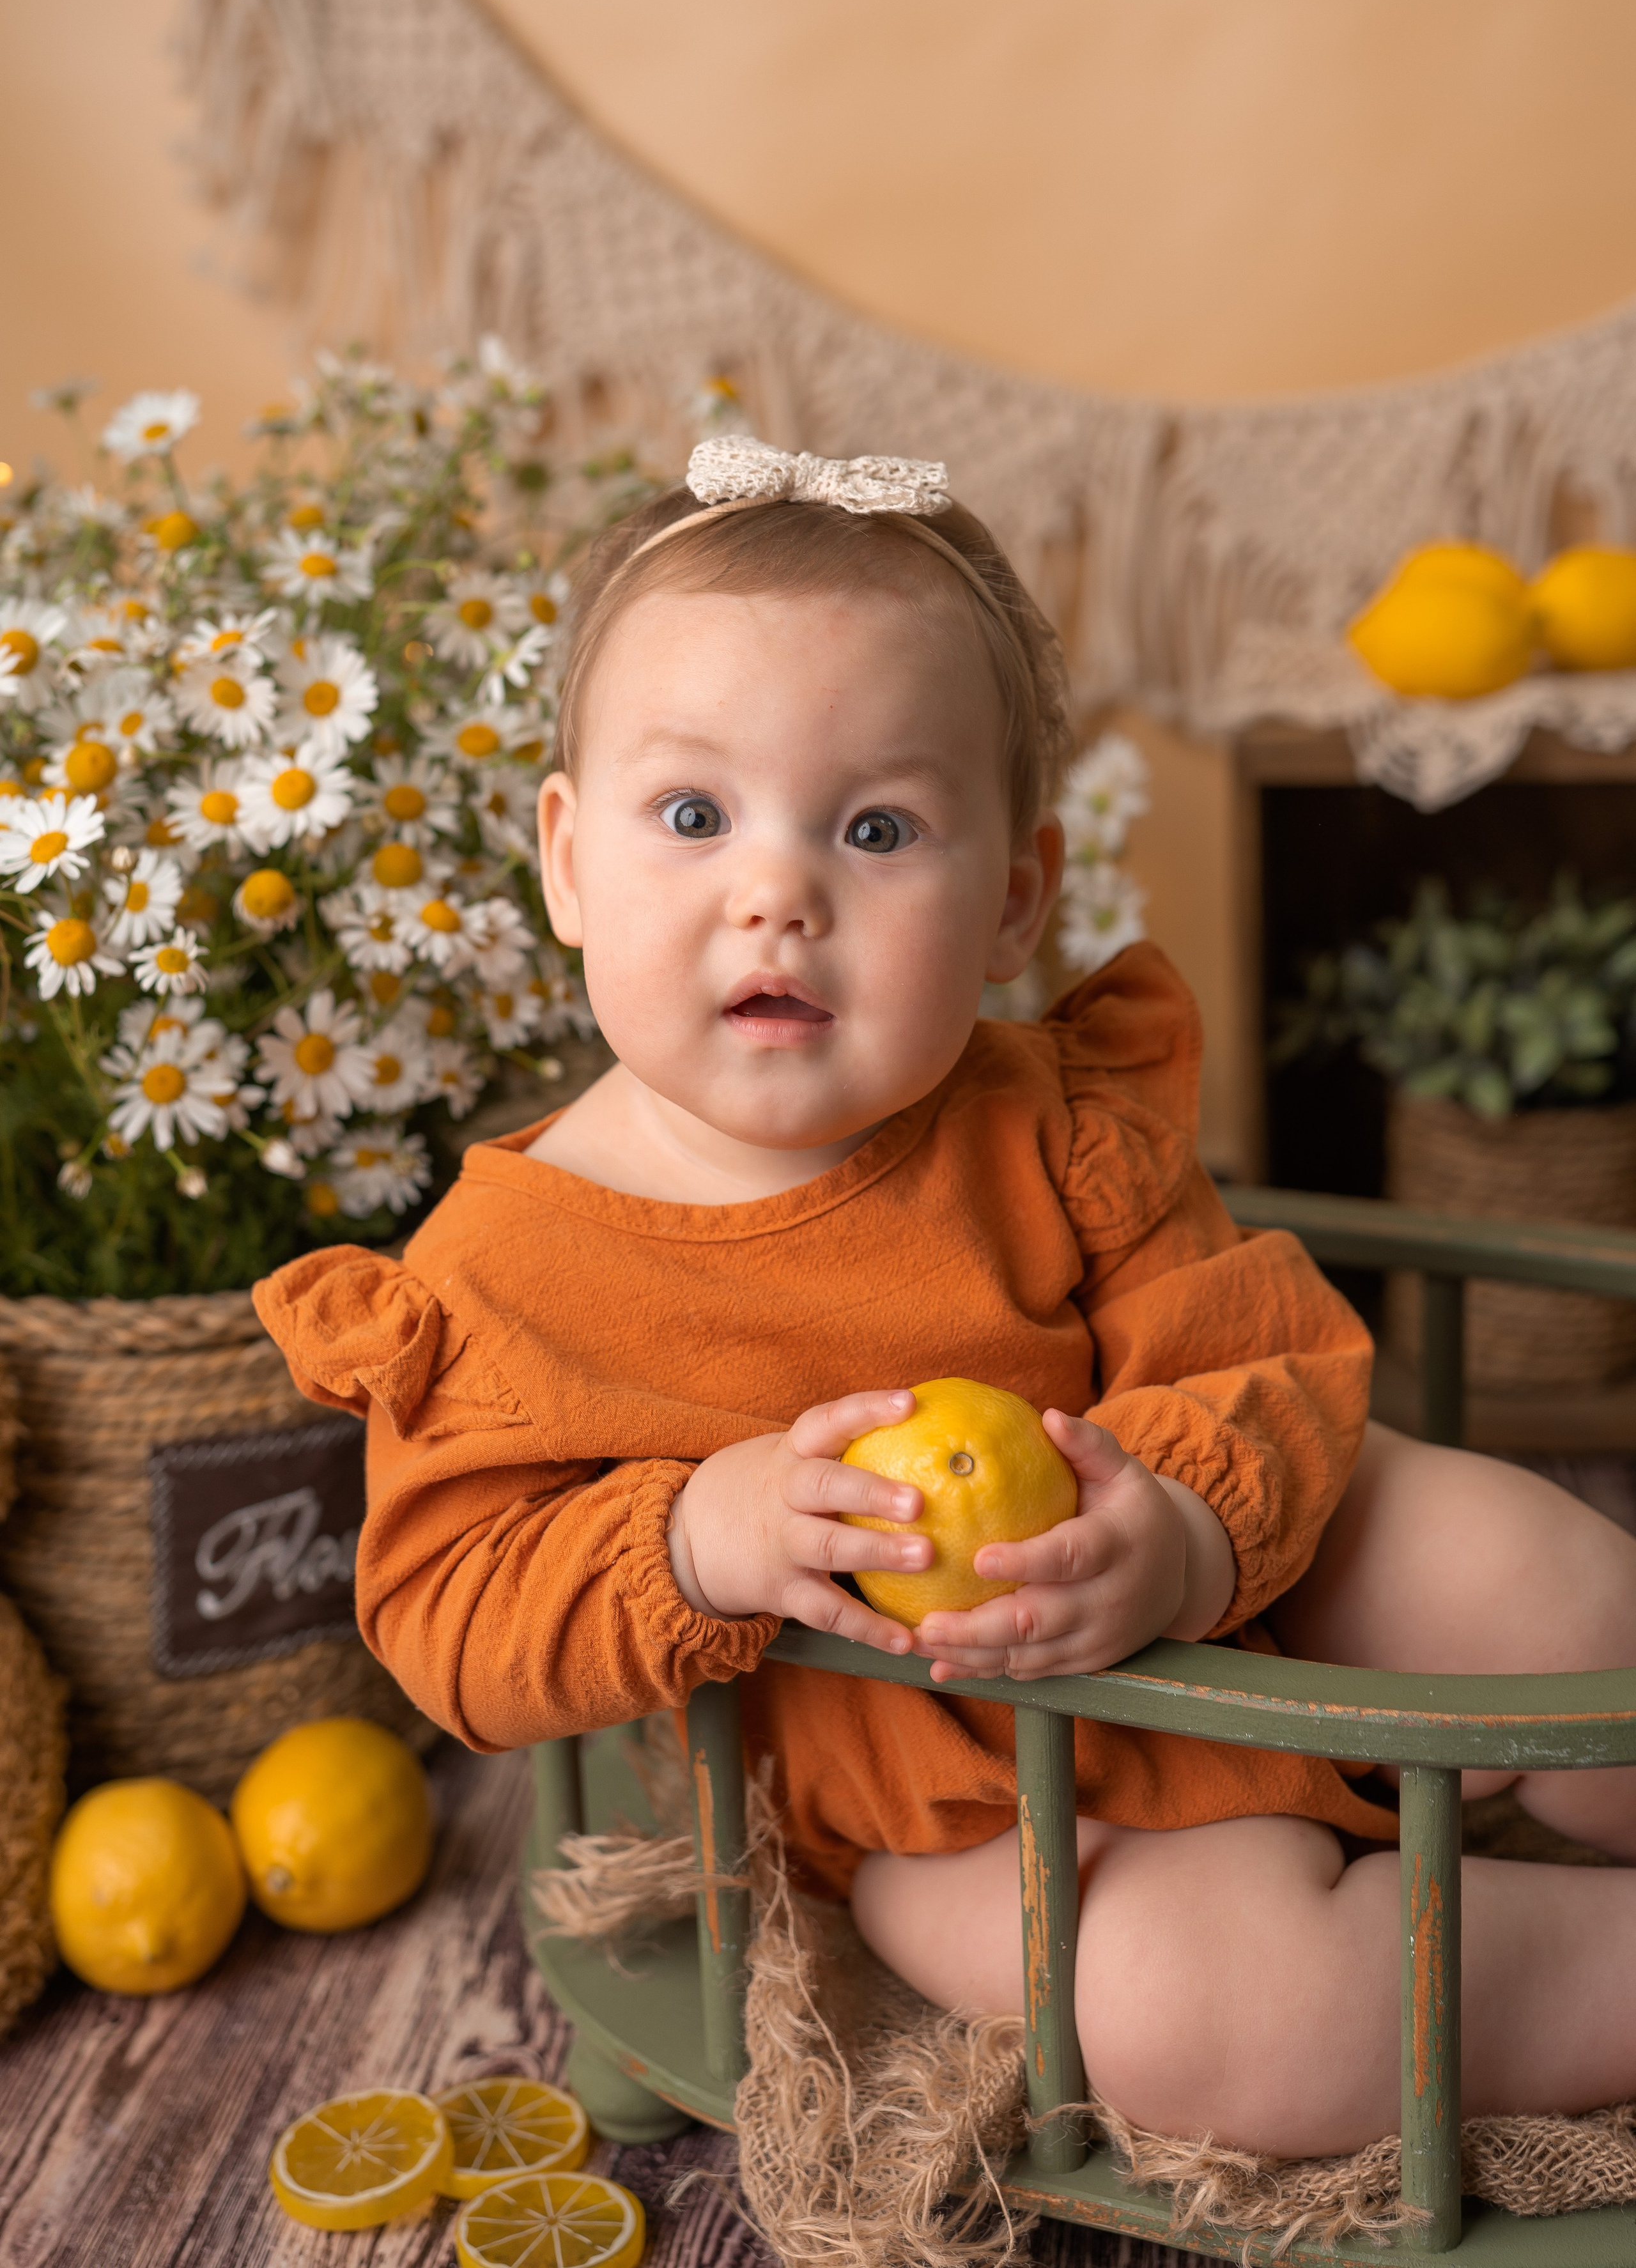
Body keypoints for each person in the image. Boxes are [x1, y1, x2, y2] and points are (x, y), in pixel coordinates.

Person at [257, 436, 1636, 2159]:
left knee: (1542, 1575)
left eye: (878, 828)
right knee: (1212, 2018)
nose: (777, 893)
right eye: (693, 816)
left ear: (1013, 901)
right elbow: (448, 1615)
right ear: (567, 862)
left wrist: (1185, 1535)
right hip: (945, 1794)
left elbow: (1259, 1355)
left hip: (1248, 1593)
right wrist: (694, 1537)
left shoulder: (1051, 1123)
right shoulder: (497, 1277)